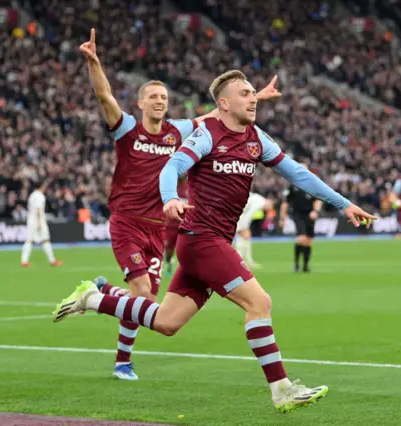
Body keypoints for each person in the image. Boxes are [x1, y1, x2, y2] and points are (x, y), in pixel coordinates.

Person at [52, 70, 376, 412]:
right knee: (259, 303)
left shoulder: (256, 138)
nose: (253, 98)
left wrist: (344, 204)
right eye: (245, 93)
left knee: (166, 322)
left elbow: (297, 172)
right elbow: (171, 167)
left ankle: (92, 299)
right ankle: (281, 389)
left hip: (213, 241)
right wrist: (170, 198)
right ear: (223, 103)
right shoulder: (206, 134)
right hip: (200, 240)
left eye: (254, 93)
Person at [78, 29, 281, 380]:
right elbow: (104, 96)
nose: (160, 101)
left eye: (164, 97)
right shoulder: (126, 128)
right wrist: (95, 63)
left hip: (160, 224)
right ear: (140, 103)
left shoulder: (177, 130)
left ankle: (104, 295)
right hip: (127, 220)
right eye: (153, 97)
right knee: (142, 291)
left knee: (149, 303)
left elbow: (217, 117)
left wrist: (255, 96)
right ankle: (122, 360)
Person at [279, 165, 323, 272]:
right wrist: (282, 218)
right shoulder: (292, 186)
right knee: (301, 238)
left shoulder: (312, 185)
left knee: (309, 241)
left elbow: (318, 200)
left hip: (310, 215)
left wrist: (315, 211)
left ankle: (305, 266)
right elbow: (285, 203)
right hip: (297, 215)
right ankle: (296, 263)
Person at [21, 181, 62, 268]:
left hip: (31, 220)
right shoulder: (40, 196)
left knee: (29, 240)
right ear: (42, 186)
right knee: (45, 239)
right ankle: (52, 260)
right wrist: (39, 222)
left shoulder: (32, 196)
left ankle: (24, 261)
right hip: (38, 220)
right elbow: (38, 209)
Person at [234, 192, 270, 269]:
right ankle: (240, 262)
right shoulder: (259, 202)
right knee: (243, 238)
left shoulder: (258, 199)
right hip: (239, 215)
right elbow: (248, 214)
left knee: (245, 238)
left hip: (239, 214)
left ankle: (246, 261)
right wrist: (244, 227)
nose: (267, 210)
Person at [163, 175, 188, 276]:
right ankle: (169, 263)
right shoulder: (171, 186)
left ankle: (186, 271)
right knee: (169, 250)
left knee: (187, 249)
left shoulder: (189, 187)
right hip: (171, 224)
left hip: (185, 224)